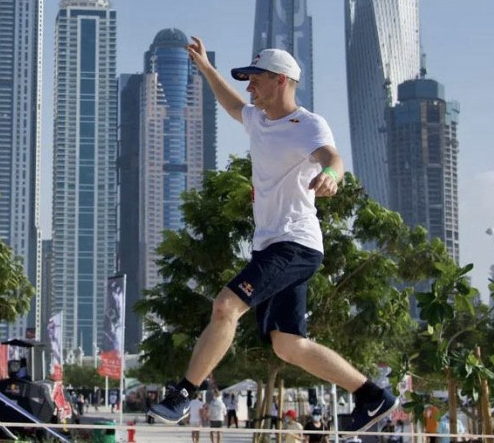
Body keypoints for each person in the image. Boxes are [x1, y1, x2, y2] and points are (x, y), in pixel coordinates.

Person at [149, 42, 398, 433]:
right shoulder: (259, 121)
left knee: (225, 307)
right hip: (272, 245)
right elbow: (233, 106)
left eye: (256, 80)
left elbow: (333, 157)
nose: (250, 88)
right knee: (287, 345)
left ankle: (184, 393)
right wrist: (207, 70)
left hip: (295, 243)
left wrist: (331, 177)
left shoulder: (307, 124)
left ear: (281, 81)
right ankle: (371, 394)